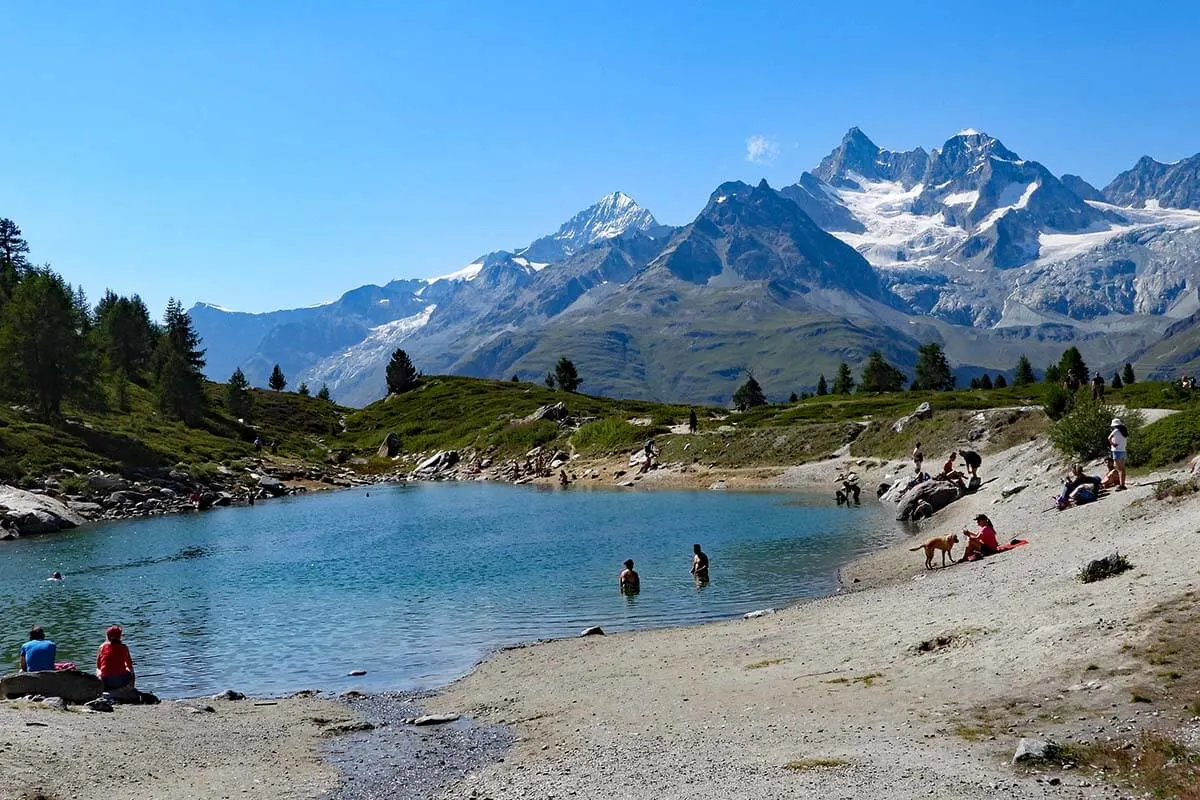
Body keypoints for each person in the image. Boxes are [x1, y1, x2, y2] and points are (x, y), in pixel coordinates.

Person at [96, 626, 136, 690]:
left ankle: (101, 688)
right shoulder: (124, 648)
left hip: (105, 681)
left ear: (107, 636)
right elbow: (129, 665)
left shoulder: (101, 647)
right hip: (121, 681)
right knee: (130, 669)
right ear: (120, 636)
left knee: (98, 670)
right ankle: (131, 689)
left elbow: (98, 665)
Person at [1108, 418, 1128, 491]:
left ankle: (1121, 484)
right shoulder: (1124, 431)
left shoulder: (1115, 431)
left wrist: (1113, 444)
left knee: (1118, 468)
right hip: (1123, 450)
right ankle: (1122, 483)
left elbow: (1109, 438)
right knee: (1122, 468)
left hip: (1116, 451)